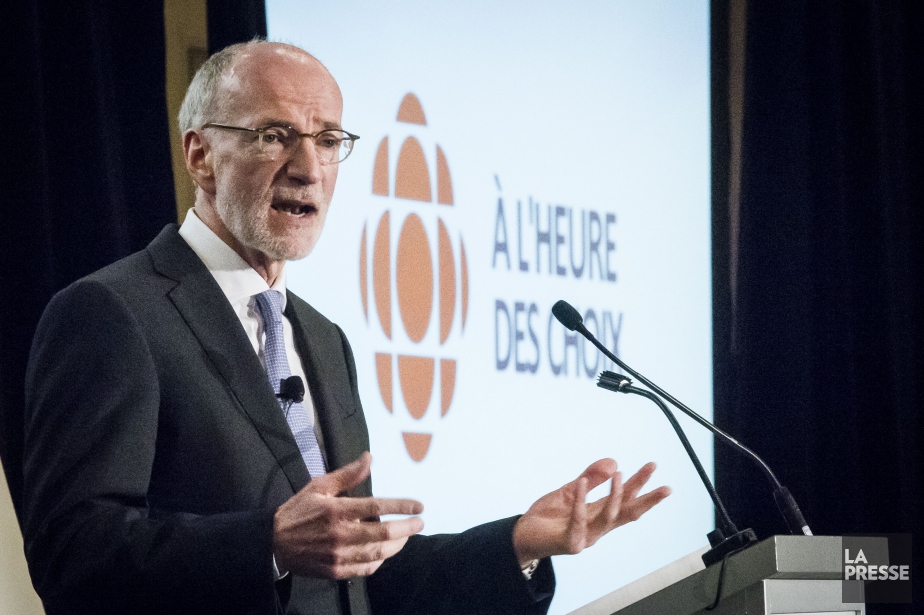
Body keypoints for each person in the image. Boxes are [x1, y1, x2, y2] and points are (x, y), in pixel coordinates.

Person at [22, 40, 670, 615]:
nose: (309, 167)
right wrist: (268, 545)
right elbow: (71, 555)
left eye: (329, 140)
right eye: (276, 134)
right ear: (200, 156)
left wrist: (517, 542)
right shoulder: (113, 314)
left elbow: (359, 581)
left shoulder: (324, 339)